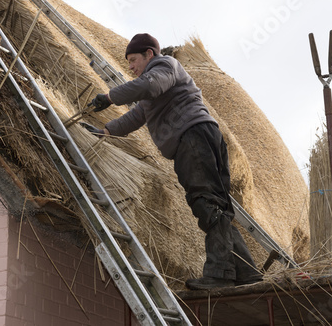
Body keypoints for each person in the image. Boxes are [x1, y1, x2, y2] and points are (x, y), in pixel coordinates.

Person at [82, 33, 262, 290]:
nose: (130, 67)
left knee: (206, 203)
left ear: (149, 55)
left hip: (194, 138)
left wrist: (110, 96)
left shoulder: (164, 66)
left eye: (133, 60)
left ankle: (220, 275)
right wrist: (106, 131)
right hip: (200, 137)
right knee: (217, 207)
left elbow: (149, 85)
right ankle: (247, 272)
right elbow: (135, 117)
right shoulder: (154, 88)